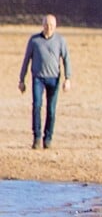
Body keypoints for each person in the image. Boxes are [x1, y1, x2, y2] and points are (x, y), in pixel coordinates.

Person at [18, 14, 70, 150]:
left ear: (55, 26)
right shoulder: (34, 40)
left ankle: (48, 138)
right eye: (47, 25)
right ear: (43, 25)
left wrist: (68, 79)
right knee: (37, 106)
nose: (49, 28)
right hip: (38, 79)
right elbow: (26, 60)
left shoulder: (60, 41)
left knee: (51, 110)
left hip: (54, 79)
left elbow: (66, 60)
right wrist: (21, 80)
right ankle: (36, 137)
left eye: (52, 26)